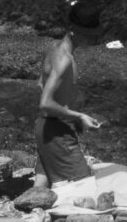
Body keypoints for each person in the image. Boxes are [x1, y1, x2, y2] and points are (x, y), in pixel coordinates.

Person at [35, 17, 101, 186]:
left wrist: (68, 116)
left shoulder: (54, 49)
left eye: (94, 34)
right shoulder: (64, 59)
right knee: (84, 188)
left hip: (45, 128)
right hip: (56, 131)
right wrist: (78, 116)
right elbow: (45, 102)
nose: (92, 39)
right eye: (88, 35)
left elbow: (41, 84)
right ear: (72, 29)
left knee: (40, 190)